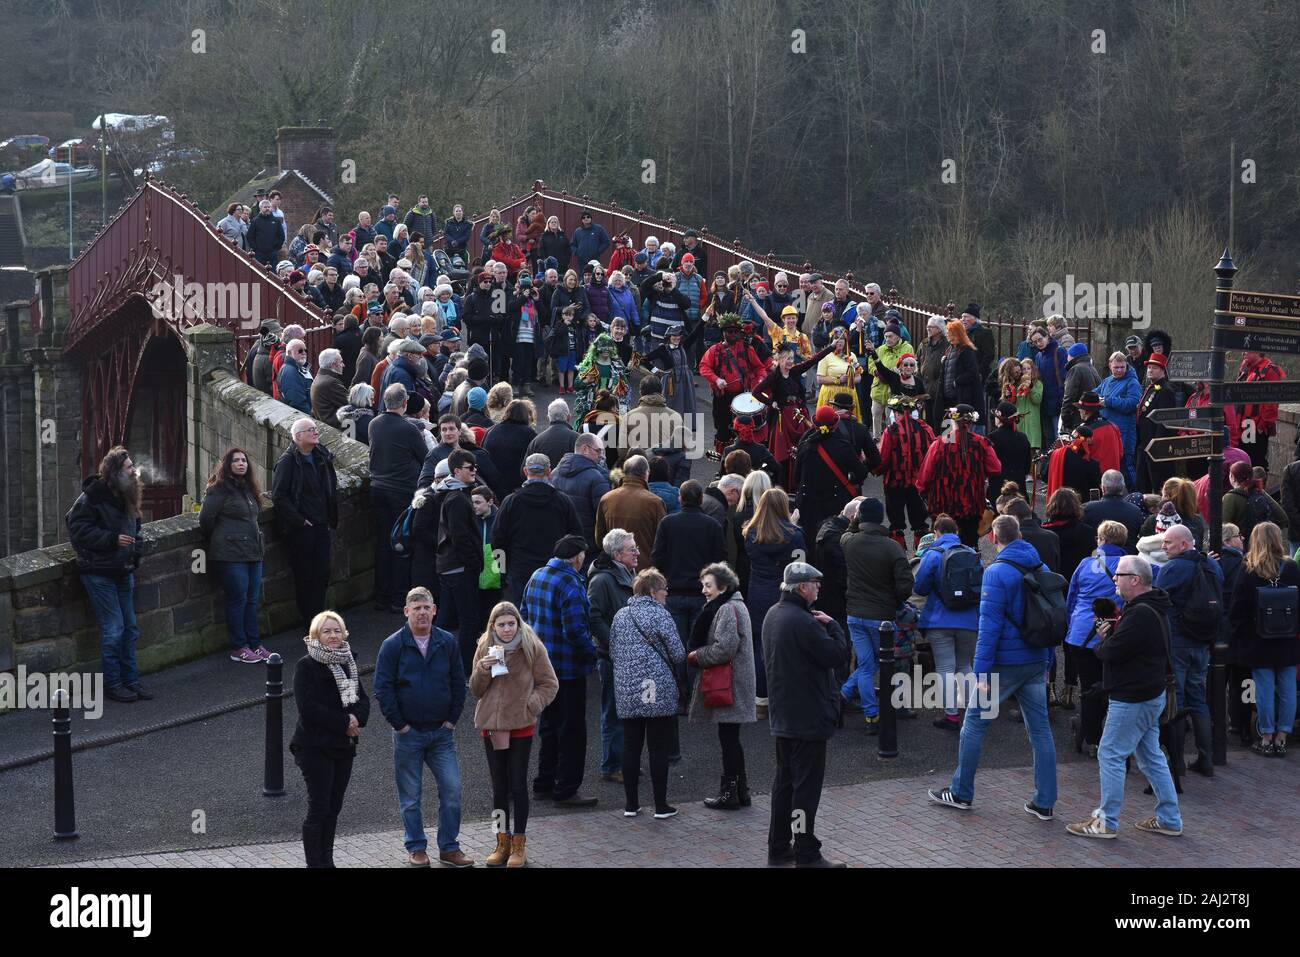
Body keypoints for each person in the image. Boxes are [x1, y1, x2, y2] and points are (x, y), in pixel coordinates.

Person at [928, 516, 1057, 818]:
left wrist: (981, 672)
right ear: (1021, 535)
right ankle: (1044, 801)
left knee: (974, 724)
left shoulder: (996, 572)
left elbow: (989, 627)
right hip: (1036, 659)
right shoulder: (1042, 568)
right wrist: (1048, 660)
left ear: (993, 539)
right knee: (1040, 731)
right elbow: (1050, 617)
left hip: (1004, 664)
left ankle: (961, 792)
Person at [1065, 554, 1183, 839]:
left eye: (1119, 574)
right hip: (1148, 692)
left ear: (1136, 580)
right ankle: (1169, 818)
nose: (1114, 579)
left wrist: (1105, 641)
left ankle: (1106, 822)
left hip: (1133, 695)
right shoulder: (1150, 607)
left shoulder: (1140, 612)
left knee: (1111, 754)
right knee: (1151, 756)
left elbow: (1111, 652)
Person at [373, 587, 472, 868]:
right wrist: (400, 725)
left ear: (434, 610)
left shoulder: (447, 642)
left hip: (442, 734)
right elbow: (383, 688)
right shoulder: (392, 645)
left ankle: (449, 848)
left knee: (452, 791)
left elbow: (457, 682)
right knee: (411, 797)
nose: (422, 613)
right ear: (406, 612)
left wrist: (452, 719)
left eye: (426, 607)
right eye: (416, 608)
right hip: (409, 734)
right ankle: (416, 847)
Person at [764, 561, 850, 867]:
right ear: (802, 587)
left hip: (784, 716)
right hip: (808, 718)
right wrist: (835, 626)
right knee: (805, 790)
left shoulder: (774, 615)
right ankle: (805, 851)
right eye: (816, 583)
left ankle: (778, 846)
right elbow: (837, 656)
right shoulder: (805, 622)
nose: (819, 588)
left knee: (784, 783)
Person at [470, 601, 559, 868]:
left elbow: (549, 683)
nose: (507, 629)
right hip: (492, 726)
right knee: (499, 788)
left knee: (518, 785)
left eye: (511, 624)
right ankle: (501, 841)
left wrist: (531, 705)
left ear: (518, 624)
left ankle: (519, 843)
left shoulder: (532, 646)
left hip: (520, 725)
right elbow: (475, 690)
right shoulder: (485, 646)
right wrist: (482, 670)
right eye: (502, 625)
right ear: (493, 626)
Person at [66, 446, 148, 703]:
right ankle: (113, 684)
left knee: (130, 628)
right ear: (114, 472)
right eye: (129, 468)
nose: (134, 471)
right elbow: (76, 527)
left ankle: (131, 680)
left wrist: (136, 544)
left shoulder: (127, 493)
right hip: (99, 571)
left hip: (123, 568)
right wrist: (112, 540)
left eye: (133, 466)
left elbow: (134, 524)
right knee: (114, 629)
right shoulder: (92, 497)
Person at [523, 534, 600, 806]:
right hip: (568, 669)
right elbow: (576, 630)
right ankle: (567, 788)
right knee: (572, 730)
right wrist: (593, 655)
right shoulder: (571, 582)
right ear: (578, 558)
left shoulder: (537, 575)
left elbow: (524, 616)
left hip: (543, 667)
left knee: (549, 725)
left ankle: (544, 782)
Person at [291, 610, 370, 867]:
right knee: (319, 808)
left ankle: (327, 860)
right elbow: (308, 708)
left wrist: (356, 719)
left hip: (342, 746)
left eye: (337, 630)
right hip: (314, 747)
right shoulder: (306, 665)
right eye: (327, 631)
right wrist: (344, 723)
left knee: (333, 808)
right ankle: (315, 864)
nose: (333, 635)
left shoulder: (348, 662)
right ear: (316, 635)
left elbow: (362, 699)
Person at [609, 568, 686, 818]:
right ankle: (661, 805)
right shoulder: (660, 615)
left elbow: (612, 651)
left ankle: (631, 805)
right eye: (664, 590)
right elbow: (677, 654)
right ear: (653, 592)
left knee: (631, 746)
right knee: (657, 747)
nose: (666, 595)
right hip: (655, 688)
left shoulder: (621, 615)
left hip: (628, 689)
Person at [840, 498, 915, 733]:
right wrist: (894, 600)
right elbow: (905, 585)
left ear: (859, 517)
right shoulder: (892, 547)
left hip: (854, 613)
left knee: (865, 665)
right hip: (882, 616)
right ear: (881, 517)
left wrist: (854, 522)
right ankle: (878, 711)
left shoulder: (848, 542)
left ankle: (866, 712)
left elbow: (848, 531)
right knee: (878, 665)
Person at [687, 562, 757, 810]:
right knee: (730, 738)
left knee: (729, 739)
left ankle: (730, 794)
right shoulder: (733, 605)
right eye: (703, 585)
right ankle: (740, 791)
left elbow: (724, 648)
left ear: (723, 586)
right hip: (736, 683)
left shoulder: (728, 609)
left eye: (708, 586)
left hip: (731, 685)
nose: (704, 590)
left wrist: (697, 656)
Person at [1156, 523, 1223, 778]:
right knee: (1199, 699)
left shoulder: (1172, 568)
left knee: (1177, 700)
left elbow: (1158, 599)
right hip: (1203, 642)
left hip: (1178, 643)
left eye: (1168, 543)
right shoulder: (1212, 565)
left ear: (1184, 544)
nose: (1164, 547)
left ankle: (1178, 761)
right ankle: (1206, 759)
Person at [1228, 522, 1299, 757]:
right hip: (1287, 637)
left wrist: (1241, 633)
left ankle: (1266, 735)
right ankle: (1282, 736)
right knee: (1288, 687)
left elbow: (1237, 608)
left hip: (1259, 638)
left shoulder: (1249, 568)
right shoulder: (1290, 568)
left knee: (1264, 688)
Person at [199, 447, 269, 663]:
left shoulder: (248, 488)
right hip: (229, 554)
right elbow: (205, 519)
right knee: (238, 598)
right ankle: (239, 647)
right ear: (227, 464)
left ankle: (255, 644)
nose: (241, 463)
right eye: (236, 460)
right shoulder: (218, 489)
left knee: (252, 599)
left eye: (244, 460)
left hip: (252, 551)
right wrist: (224, 538)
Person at [913, 514, 981, 731]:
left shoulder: (933, 554)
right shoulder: (972, 553)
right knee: (965, 665)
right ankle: (974, 711)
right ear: (957, 532)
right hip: (969, 620)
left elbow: (920, 588)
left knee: (945, 667)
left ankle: (951, 716)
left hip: (939, 619)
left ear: (937, 533)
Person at [744, 488, 806, 719]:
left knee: (761, 645)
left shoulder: (750, 532)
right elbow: (800, 568)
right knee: (787, 645)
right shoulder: (795, 535)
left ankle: (761, 700)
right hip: (784, 592)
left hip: (758, 592)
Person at [272, 419, 338, 628]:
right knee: (305, 575)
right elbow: (279, 496)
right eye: (310, 430)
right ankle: (310, 620)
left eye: (315, 429)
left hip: (321, 524)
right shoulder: (288, 461)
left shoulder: (321, 455)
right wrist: (300, 521)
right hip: (302, 529)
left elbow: (330, 484)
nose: (315, 433)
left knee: (323, 572)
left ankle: (320, 617)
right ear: (297, 436)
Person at [368, 383, 427, 613]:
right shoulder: (409, 430)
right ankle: (398, 597)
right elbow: (424, 457)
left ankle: (380, 596)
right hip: (401, 491)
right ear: (404, 404)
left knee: (383, 543)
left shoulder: (374, 424)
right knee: (401, 544)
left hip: (377, 488)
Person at [587, 529, 637, 783]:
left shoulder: (627, 572)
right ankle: (612, 765)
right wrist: (615, 643)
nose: (637, 553)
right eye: (632, 549)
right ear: (617, 554)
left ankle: (624, 761)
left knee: (628, 711)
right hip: (611, 655)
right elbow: (594, 617)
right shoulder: (602, 580)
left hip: (627, 654)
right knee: (613, 712)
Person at [652, 480, 727, 645]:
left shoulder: (667, 523)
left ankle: (679, 672)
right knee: (698, 646)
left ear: (680, 499)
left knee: (676, 645)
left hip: (674, 592)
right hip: (702, 594)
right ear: (701, 499)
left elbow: (657, 558)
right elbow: (720, 560)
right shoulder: (712, 526)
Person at [918, 404, 1001, 547]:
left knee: (943, 545)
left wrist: (923, 492)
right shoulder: (982, 443)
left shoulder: (939, 443)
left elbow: (925, 475)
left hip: (943, 506)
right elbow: (996, 468)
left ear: (952, 421)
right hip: (971, 505)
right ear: (970, 422)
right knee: (969, 544)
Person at [434, 449, 485, 673]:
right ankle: (466, 669)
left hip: (451, 565)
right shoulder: (457, 499)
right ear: (456, 471)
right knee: (469, 620)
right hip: (459, 567)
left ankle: (444, 664)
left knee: (448, 619)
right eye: (469, 468)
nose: (474, 471)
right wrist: (474, 562)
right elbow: (459, 536)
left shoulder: (454, 493)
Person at [699, 313, 767, 454]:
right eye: (730, 331)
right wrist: (716, 379)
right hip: (722, 398)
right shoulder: (714, 350)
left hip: (743, 397)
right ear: (723, 333)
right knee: (723, 429)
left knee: (744, 430)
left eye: (736, 331)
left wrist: (759, 382)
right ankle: (723, 461)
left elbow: (759, 368)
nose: (734, 334)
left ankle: (744, 459)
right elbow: (704, 367)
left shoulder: (748, 349)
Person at [877, 394, 935, 551]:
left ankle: (898, 554)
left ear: (897, 413)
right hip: (918, 483)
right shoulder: (926, 429)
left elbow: (883, 458)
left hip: (895, 482)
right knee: (920, 519)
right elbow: (932, 455)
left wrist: (876, 470)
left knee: (896, 521)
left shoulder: (891, 431)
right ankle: (923, 552)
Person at [595, 454, 667, 568]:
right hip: (644, 572)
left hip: (614, 569)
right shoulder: (655, 503)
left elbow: (600, 540)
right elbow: (663, 543)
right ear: (646, 474)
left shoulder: (606, 499)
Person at [1096, 351, 1142, 488]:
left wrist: (1108, 402)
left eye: (1122, 367)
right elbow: (1094, 393)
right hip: (1109, 430)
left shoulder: (1132, 382)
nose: (1119, 370)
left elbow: (1132, 404)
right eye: (1116, 367)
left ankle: (1136, 498)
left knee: (1126, 466)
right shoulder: (1107, 381)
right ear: (1110, 366)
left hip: (1125, 431)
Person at [1235, 350, 1285, 470]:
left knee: (1255, 462)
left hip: (1253, 426)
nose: (1243, 353)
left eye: (1246, 351)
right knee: (1243, 461)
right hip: (1242, 425)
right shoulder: (1246, 368)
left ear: (1257, 351)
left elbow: (1271, 403)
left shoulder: (1269, 370)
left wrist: (1261, 425)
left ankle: (1257, 488)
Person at [1222, 459, 1289, 546]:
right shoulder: (1260, 492)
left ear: (1233, 478)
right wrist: (1265, 534)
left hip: (1241, 549)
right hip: (1261, 547)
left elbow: (1222, 529)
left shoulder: (1230, 497)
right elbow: (1283, 519)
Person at [1083, 469, 1145, 551]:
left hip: (1098, 559)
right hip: (1127, 558)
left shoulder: (1087, 509)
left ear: (1103, 488)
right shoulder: (1135, 511)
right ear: (1123, 488)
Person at [1061, 343, 1102, 434]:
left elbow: (1069, 397)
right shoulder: (1091, 368)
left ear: (1071, 356)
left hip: (1077, 417)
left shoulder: (1076, 369)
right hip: (1090, 417)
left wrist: (1065, 420)